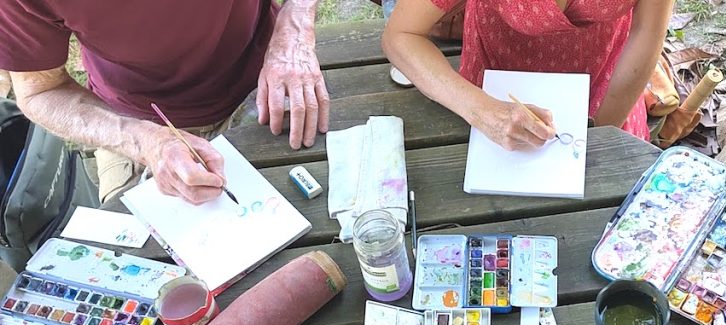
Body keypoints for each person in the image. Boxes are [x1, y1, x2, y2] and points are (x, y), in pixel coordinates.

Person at [0, 0, 330, 205]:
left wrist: (295, 32)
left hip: (265, 79)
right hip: (137, 120)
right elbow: (40, 90)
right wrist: (147, 142)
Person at [382, 0, 672, 151]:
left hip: (609, 75)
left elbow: (646, 32)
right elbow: (401, 36)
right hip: (498, 77)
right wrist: (484, 111)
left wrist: (599, 130)